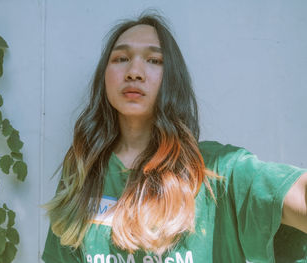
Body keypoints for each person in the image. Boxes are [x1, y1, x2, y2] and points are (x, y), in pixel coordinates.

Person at [42, 13, 307, 263]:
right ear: (104, 77)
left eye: (154, 60)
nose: (134, 71)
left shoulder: (218, 172)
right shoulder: (82, 168)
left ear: (172, 79)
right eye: (121, 58)